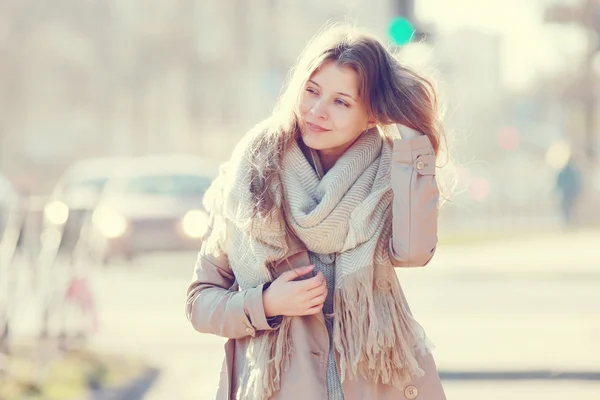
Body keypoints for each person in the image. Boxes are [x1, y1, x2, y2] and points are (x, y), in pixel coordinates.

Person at [186, 23, 447, 400]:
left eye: (342, 101)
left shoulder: (393, 174)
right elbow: (199, 303)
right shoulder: (251, 178)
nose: (318, 111)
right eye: (312, 91)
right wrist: (267, 303)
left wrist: (413, 140)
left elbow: (414, 252)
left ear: (373, 114)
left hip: (373, 387)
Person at [555, 157, 581, 227]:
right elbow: (576, 183)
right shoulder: (573, 172)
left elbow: (559, 182)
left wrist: (557, 190)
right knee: (571, 208)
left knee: (566, 208)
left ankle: (568, 222)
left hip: (566, 193)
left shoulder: (564, 171)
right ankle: (570, 222)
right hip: (570, 193)